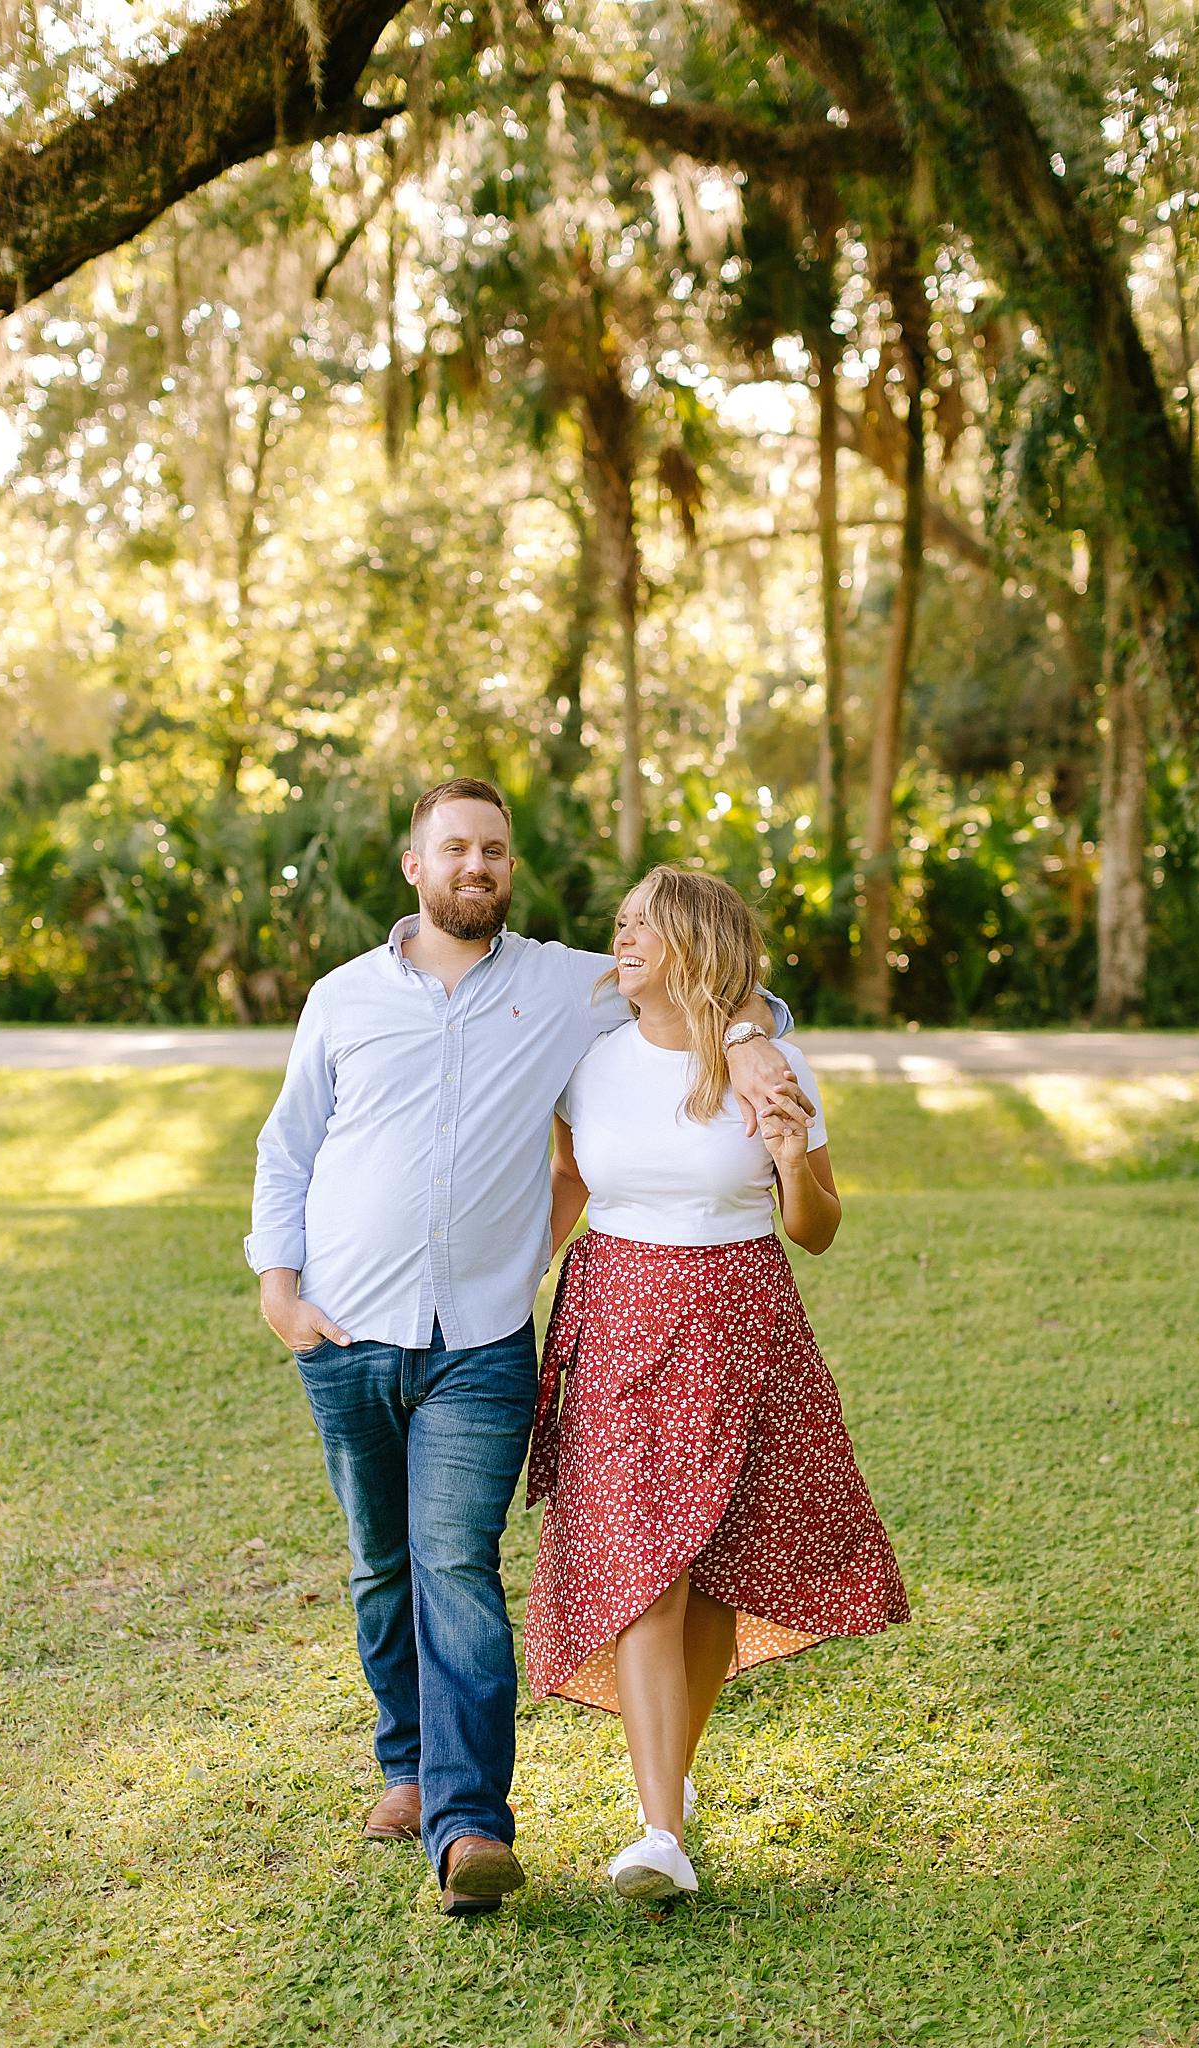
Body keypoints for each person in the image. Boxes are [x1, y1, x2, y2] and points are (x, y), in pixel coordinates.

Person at [244, 779, 808, 1916]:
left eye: (494, 849)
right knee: (379, 1560)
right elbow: (289, 1140)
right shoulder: (343, 997)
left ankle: (467, 1828)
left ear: (510, 867)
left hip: (482, 1340)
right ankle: (403, 1761)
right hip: (346, 1328)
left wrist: (748, 1038)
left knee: (452, 1557)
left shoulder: (566, 985)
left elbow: (720, 985)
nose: (477, 865)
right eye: (455, 847)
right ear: (414, 864)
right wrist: (279, 1288)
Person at [523, 865, 910, 1904]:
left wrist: (791, 1156)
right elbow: (569, 1180)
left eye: (645, 922)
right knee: (649, 1562)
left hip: (743, 1313)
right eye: (620, 921)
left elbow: (818, 1227)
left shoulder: (770, 1064)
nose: (623, 934)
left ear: (697, 941)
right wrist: (511, 1286)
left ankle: (666, 1807)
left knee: (713, 1563)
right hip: (618, 1312)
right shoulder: (588, 1062)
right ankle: (660, 1825)